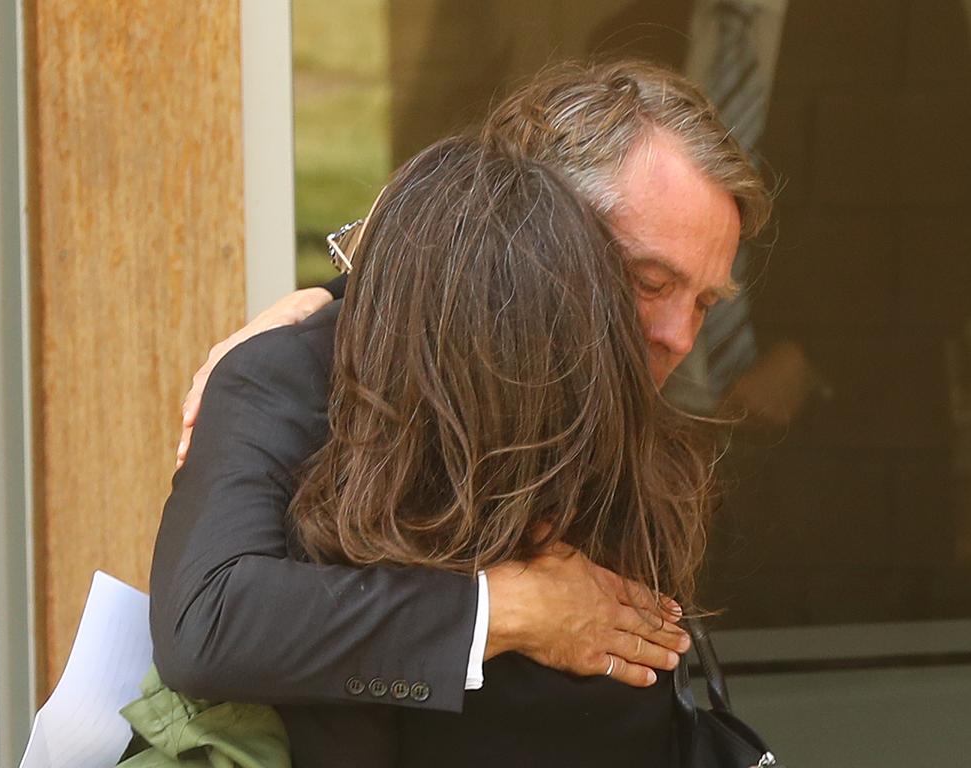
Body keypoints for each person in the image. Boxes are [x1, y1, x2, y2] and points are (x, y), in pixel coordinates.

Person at [151, 58, 770, 764]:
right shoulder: (297, 371)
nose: (680, 338)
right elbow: (210, 623)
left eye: (705, 303)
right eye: (649, 282)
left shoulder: (639, 432)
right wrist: (504, 611)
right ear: (532, 217)